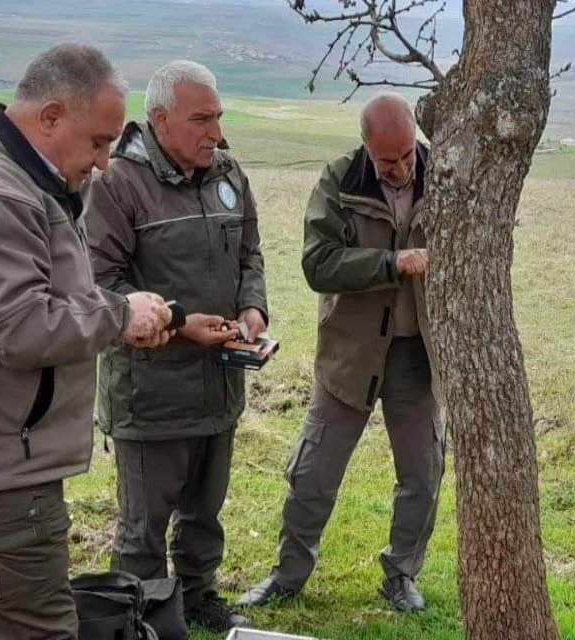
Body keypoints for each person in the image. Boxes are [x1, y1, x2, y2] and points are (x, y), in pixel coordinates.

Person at [0, 43, 173, 640]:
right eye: (98, 142)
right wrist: (120, 317)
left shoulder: (9, 175)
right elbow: (21, 326)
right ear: (50, 117)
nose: (104, 163)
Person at [236, 92, 443, 613]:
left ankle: (401, 573)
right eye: (386, 160)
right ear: (365, 145)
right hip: (350, 354)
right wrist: (392, 263)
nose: (399, 169)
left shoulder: (442, 173)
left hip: (417, 354)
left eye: (406, 156)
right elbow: (317, 264)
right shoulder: (339, 180)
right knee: (313, 471)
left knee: (424, 471)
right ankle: (288, 574)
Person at [84, 59, 267, 632]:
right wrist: (179, 320)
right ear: (160, 119)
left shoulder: (227, 173)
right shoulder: (117, 183)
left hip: (219, 383)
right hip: (151, 393)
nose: (215, 131)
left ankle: (198, 591)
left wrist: (253, 309)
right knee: (143, 526)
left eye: (218, 117)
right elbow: (97, 284)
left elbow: (250, 254)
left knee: (204, 509)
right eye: (201, 119)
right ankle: (136, 614)